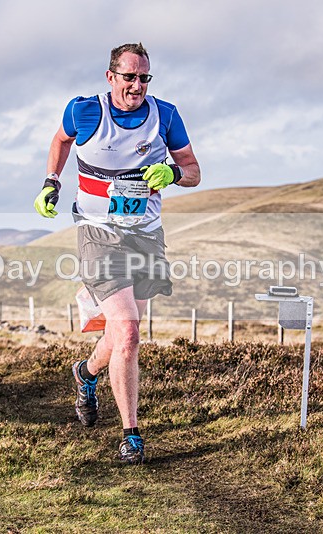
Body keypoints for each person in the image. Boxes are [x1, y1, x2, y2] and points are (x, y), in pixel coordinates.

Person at [34, 42, 200, 464]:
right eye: (129, 77)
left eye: (144, 78)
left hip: (145, 235)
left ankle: (85, 372)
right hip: (99, 233)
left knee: (121, 330)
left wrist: (173, 173)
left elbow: (194, 172)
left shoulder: (166, 116)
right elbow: (60, 140)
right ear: (111, 77)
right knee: (128, 332)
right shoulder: (85, 111)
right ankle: (131, 435)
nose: (137, 85)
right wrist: (51, 181)